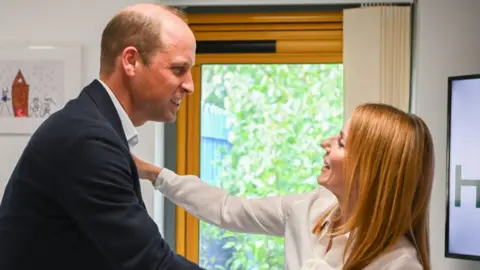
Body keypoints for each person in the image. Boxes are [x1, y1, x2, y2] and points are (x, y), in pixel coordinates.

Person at [0, 4, 202, 270]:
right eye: (178, 69)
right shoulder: (88, 140)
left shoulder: (92, 126)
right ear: (130, 61)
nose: (190, 85)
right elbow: (152, 263)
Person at [135, 103, 434, 270]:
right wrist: (153, 173)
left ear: (370, 170)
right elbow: (228, 209)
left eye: (341, 142)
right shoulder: (309, 209)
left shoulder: (399, 264)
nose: (325, 144)